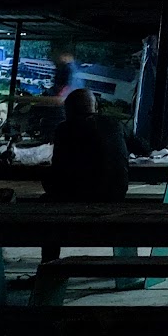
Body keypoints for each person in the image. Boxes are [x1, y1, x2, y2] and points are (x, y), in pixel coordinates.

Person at [40, 89, 131, 266]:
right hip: (115, 197)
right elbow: (143, 146)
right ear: (95, 107)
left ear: (68, 110)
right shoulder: (115, 124)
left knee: (47, 206)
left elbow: (58, 169)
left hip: (77, 198)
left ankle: (49, 265)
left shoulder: (64, 129)